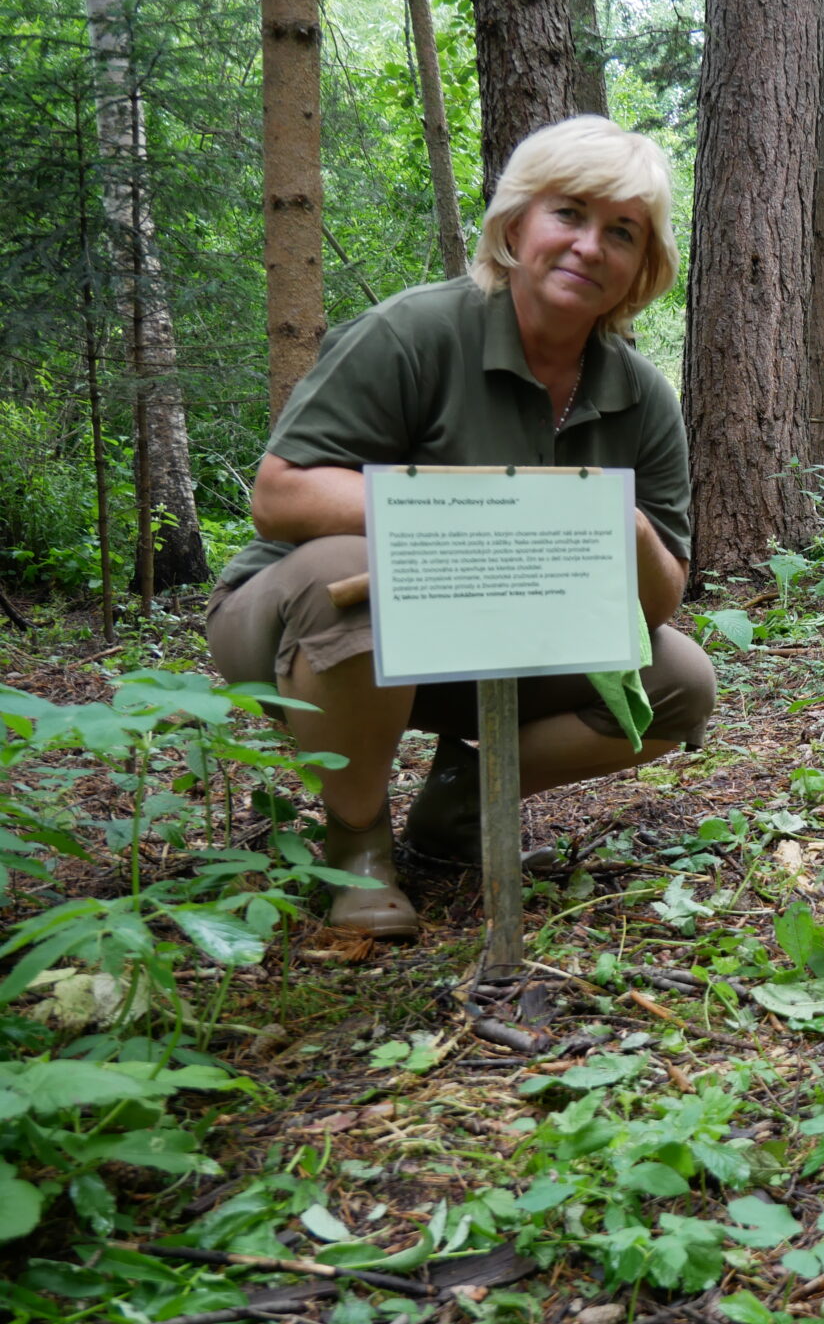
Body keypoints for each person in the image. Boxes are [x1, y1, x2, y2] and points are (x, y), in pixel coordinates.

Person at [207, 117, 714, 940]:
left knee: (677, 681)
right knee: (354, 571)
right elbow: (282, 494)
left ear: (642, 266)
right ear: (516, 224)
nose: (590, 246)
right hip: (302, 621)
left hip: (495, 631)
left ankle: (461, 804)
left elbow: (655, 604)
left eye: (622, 231)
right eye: (569, 214)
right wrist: (481, 513)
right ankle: (358, 844)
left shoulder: (643, 397)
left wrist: (625, 532)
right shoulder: (416, 331)